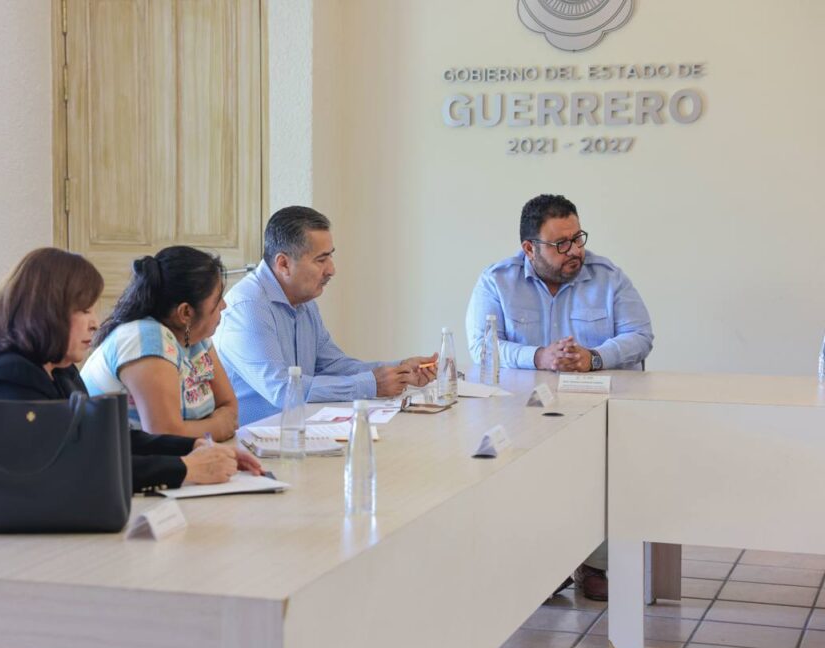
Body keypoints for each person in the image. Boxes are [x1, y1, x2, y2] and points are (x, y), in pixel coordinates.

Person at [0, 248, 257, 540]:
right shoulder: (5, 376)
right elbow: (73, 469)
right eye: (85, 310)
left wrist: (192, 448)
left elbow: (104, 439)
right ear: (46, 311)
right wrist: (182, 468)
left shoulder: (57, 368)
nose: (96, 322)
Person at [464, 194, 654, 600]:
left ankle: (595, 564)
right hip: (524, 410)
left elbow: (640, 336)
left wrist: (594, 357)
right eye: (561, 244)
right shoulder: (496, 281)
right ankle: (540, 564)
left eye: (578, 238)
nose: (575, 251)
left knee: (608, 460)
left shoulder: (608, 276)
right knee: (508, 460)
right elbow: (482, 347)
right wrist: (539, 356)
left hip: (597, 406)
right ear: (529, 248)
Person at [215, 205, 438, 426]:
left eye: (330, 257)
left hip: (299, 432)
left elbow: (334, 365)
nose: (331, 269)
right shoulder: (248, 307)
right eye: (321, 260)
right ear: (283, 264)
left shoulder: (304, 301)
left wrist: (400, 370)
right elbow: (283, 390)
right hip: (252, 441)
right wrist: (371, 385)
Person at [81, 247, 239, 442]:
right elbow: (165, 435)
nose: (224, 305)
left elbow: (229, 406)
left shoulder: (194, 336)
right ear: (186, 313)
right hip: (114, 458)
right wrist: (217, 427)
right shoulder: (146, 340)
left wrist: (205, 428)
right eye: (217, 299)